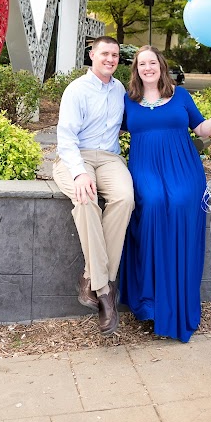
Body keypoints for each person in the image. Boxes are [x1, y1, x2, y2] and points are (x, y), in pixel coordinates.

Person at [119, 45, 211, 343]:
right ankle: (150, 303)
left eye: (152, 62)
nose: (147, 67)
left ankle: (178, 303)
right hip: (145, 168)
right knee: (153, 204)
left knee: (182, 202)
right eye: (142, 63)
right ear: (136, 69)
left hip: (183, 168)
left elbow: (201, 130)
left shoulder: (180, 95)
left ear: (161, 65)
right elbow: (107, 129)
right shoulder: (128, 101)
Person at [53, 36, 135, 335]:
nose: (110, 59)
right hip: (76, 156)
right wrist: (79, 173)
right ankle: (106, 292)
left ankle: (91, 279)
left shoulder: (119, 90)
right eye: (105, 54)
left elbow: (130, 122)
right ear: (92, 55)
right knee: (86, 199)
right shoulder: (76, 90)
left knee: (125, 198)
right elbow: (66, 139)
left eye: (115, 55)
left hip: (109, 158)